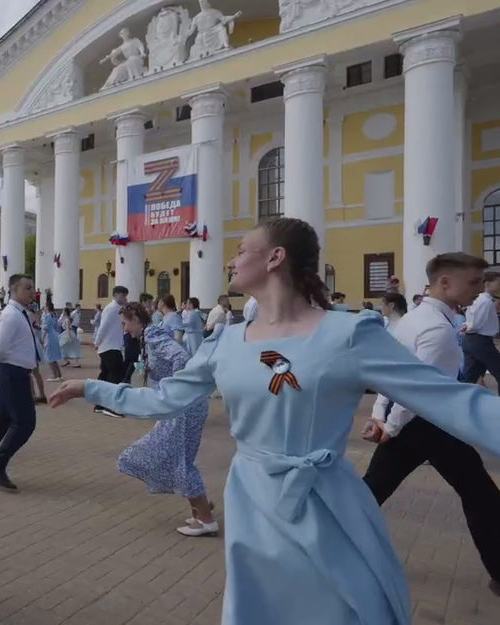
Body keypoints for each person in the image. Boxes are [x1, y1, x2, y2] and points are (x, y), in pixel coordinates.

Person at [49, 217, 500, 624]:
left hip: (324, 501)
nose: (231, 258)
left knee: (337, 608)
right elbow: (167, 398)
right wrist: (93, 388)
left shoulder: (350, 333)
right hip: (253, 504)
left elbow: (454, 401)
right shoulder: (225, 341)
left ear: (275, 257)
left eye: (242, 249)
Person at [362, 253, 500, 595]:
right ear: (444, 282)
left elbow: (392, 375)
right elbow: (416, 391)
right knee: (481, 495)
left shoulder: (414, 319)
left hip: (416, 423)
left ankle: (325, 549)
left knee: (369, 493)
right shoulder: (437, 329)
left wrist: (382, 417)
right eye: (473, 283)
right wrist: (389, 426)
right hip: (426, 423)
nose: (479, 291)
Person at [115, 303, 216, 536]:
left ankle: (206, 518)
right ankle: (199, 511)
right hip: (183, 403)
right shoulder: (148, 337)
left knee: (178, 459)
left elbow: (180, 358)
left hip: (184, 404)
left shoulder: (152, 334)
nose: (124, 328)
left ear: (136, 319)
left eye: (125, 323)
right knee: (178, 457)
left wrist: (174, 388)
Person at [0, 274, 40, 491]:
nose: (31, 291)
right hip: (11, 373)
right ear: (13, 290)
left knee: (0, 421)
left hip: (15, 372)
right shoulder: (11, 315)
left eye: (32, 288)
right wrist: (12, 367)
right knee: (24, 422)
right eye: (27, 288)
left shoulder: (21, 314)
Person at [458, 271, 500, 388]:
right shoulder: (486, 302)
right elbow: (476, 323)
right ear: (487, 284)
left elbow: (470, 319)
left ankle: (459, 399)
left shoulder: (478, 299)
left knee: (470, 376)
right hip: (480, 340)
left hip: (471, 340)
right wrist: (469, 328)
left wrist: (466, 328)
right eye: (498, 283)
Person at [93, 286, 128, 417]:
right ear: (115, 295)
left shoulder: (119, 309)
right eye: (122, 295)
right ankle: (109, 406)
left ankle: (99, 404)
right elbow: (103, 327)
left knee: (105, 375)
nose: (125, 298)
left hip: (113, 346)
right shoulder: (111, 309)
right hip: (109, 347)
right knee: (115, 375)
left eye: (125, 295)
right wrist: (97, 341)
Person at [41, 303, 64, 382]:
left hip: (49, 336)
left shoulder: (47, 316)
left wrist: (42, 339)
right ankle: (59, 375)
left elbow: (45, 328)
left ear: (47, 307)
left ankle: (55, 375)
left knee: (49, 357)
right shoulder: (54, 315)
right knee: (53, 357)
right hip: (54, 335)